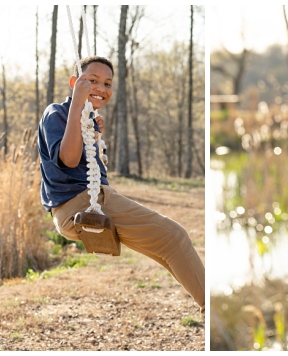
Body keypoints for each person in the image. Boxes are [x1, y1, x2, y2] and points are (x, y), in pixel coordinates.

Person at [38, 56, 205, 313]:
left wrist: (92, 133)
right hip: (79, 205)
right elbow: (69, 160)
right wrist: (77, 109)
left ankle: (204, 304)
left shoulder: (85, 119)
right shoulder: (56, 112)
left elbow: (93, 166)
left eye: (107, 83)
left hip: (87, 202)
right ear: (74, 83)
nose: (101, 88)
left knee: (167, 250)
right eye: (92, 81)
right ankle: (209, 308)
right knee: (175, 236)